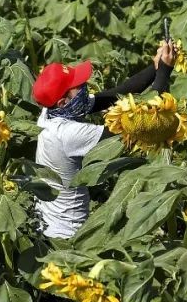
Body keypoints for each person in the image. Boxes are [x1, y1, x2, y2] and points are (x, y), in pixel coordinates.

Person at [32, 39, 178, 240]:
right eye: (78, 86)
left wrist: (155, 66)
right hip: (67, 236)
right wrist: (164, 74)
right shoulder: (66, 135)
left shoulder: (51, 112)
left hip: (49, 226)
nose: (84, 87)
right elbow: (140, 127)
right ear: (64, 102)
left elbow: (115, 94)